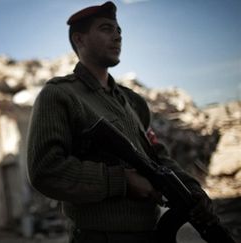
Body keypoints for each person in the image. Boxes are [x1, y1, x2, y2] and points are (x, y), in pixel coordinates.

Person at [26, 1, 215, 242]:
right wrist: (122, 181)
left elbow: (157, 157)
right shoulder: (60, 95)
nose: (117, 37)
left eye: (119, 31)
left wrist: (192, 189)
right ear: (79, 40)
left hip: (151, 232)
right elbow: (45, 170)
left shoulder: (132, 101)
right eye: (106, 29)